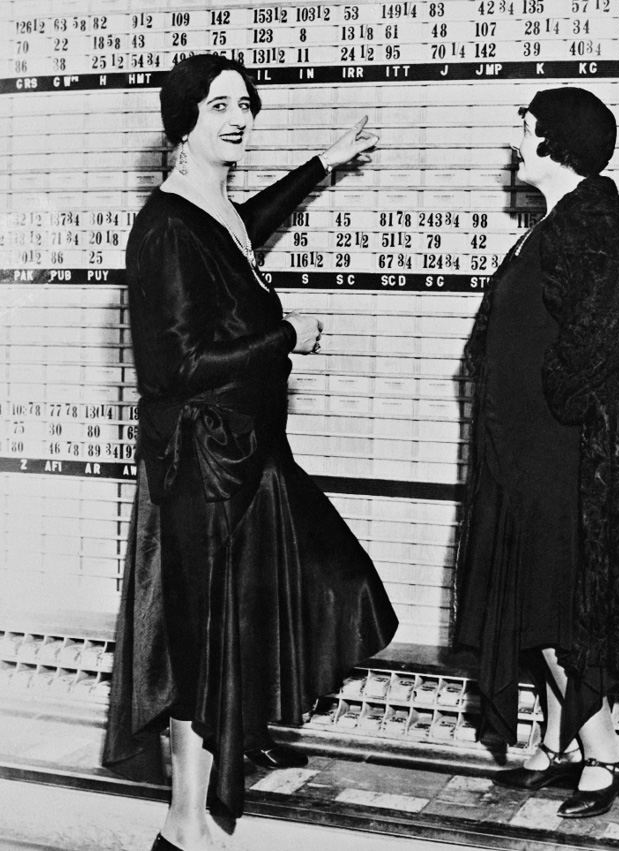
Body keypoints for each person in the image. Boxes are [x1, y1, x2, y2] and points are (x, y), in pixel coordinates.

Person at [102, 54, 398, 851]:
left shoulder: (211, 207)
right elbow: (173, 368)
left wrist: (320, 166)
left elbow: (239, 237)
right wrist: (285, 338)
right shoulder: (164, 224)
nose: (238, 118)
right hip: (203, 466)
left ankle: (191, 817)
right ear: (183, 118)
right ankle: (183, 821)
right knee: (203, 642)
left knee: (293, 601)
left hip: (249, 456)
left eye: (245, 104)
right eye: (218, 104)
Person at [454, 87, 619, 819]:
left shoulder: (598, 215)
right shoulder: (558, 219)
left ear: (554, 141)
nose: (515, 142)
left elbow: (602, 333)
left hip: (561, 454)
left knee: (556, 606)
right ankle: (561, 741)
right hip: (527, 451)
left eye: (524, 129)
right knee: (533, 597)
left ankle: (609, 753)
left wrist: (550, 409)